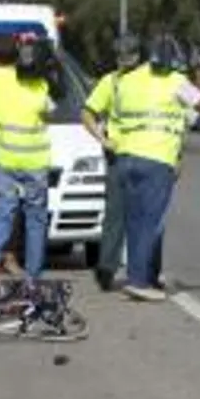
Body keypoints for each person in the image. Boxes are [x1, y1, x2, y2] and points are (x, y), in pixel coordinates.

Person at [108, 32, 200, 302]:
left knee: (133, 220)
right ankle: (140, 281)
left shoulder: (127, 80)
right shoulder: (177, 82)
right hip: (157, 158)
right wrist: (199, 75)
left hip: (126, 156)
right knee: (150, 222)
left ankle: (134, 276)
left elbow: (116, 114)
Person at [0, 30, 61, 286]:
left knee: (3, 212)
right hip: (34, 162)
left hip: (4, 159)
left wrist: (17, 47)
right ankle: (32, 277)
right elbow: (52, 108)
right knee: (35, 219)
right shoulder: (38, 85)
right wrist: (44, 57)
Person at [83, 33, 144, 290]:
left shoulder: (151, 80)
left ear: (138, 55)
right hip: (119, 154)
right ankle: (107, 268)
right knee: (116, 216)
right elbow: (87, 113)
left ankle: (141, 270)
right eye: (119, 55)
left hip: (146, 153)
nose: (123, 60)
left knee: (143, 216)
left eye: (127, 55)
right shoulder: (111, 81)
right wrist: (102, 139)